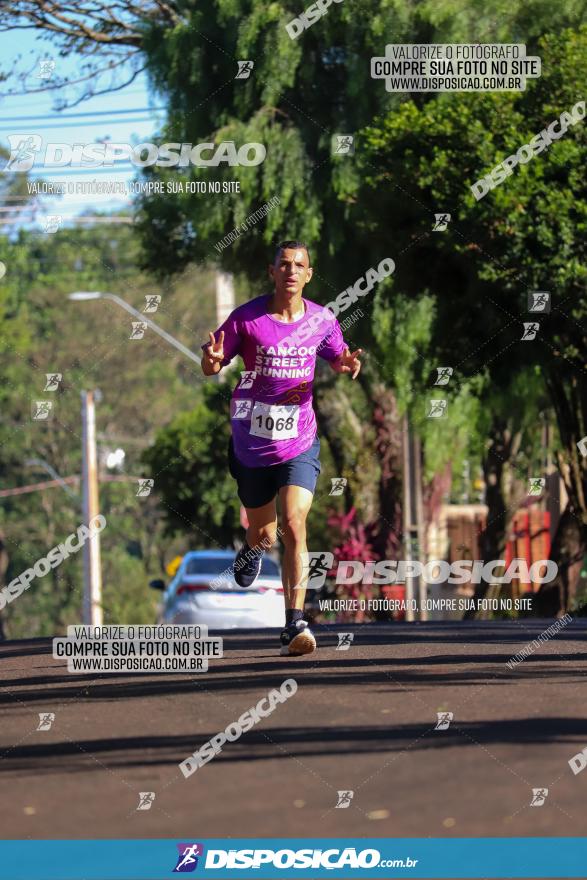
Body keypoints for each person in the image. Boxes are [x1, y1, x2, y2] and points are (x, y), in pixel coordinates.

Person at [201, 241, 361, 655]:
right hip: (252, 445)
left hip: (299, 441)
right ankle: (251, 548)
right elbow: (213, 363)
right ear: (271, 272)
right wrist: (213, 360)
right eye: (284, 264)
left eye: (300, 265)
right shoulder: (247, 319)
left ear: (309, 274)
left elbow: (337, 354)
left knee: (293, 522)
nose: (291, 271)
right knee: (265, 533)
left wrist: (345, 364)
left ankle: (295, 623)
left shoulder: (322, 320)